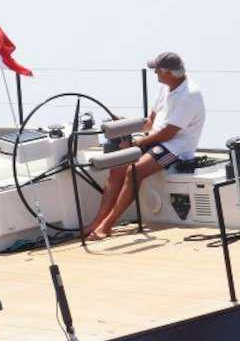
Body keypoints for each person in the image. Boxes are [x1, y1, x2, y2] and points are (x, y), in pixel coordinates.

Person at [84, 52, 207, 241]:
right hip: (155, 139)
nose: (154, 72)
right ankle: (98, 220)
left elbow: (169, 134)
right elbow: (150, 122)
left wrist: (138, 143)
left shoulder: (190, 95)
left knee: (135, 171)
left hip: (176, 148)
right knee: (117, 168)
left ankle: (107, 225)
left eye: (157, 69)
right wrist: (126, 128)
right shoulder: (166, 86)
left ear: (168, 72)